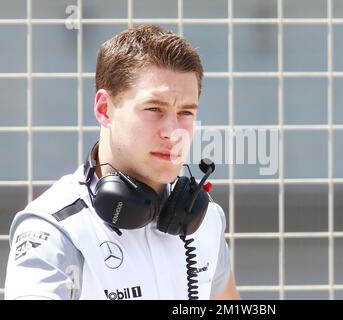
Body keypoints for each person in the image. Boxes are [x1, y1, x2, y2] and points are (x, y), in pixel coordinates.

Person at [4, 25, 240, 300]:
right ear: (105, 109)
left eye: (185, 112)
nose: (173, 131)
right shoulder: (54, 228)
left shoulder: (205, 219)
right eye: (154, 109)